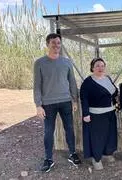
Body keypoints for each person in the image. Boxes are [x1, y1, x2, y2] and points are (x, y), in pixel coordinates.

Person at [33, 33, 81, 172]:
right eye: (53, 43)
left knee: (70, 129)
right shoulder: (39, 63)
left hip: (66, 101)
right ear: (47, 44)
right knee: (48, 132)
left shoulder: (67, 62)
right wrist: (38, 105)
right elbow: (37, 85)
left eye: (58, 43)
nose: (56, 46)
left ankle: (72, 154)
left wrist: (74, 100)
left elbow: (72, 82)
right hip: (48, 104)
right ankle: (48, 159)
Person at [80, 58, 118, 170]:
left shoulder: (108, 78)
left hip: (110, 112)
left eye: (102, 66)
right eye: (97, 66)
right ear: (92, 68)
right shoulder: (88, 82)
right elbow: (84, 98)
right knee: (98, 137)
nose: (100, 68)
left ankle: (107, 154)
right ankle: (96, 159)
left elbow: (113, 93)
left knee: (110, 135)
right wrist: (85, 114)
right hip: (96, 115)